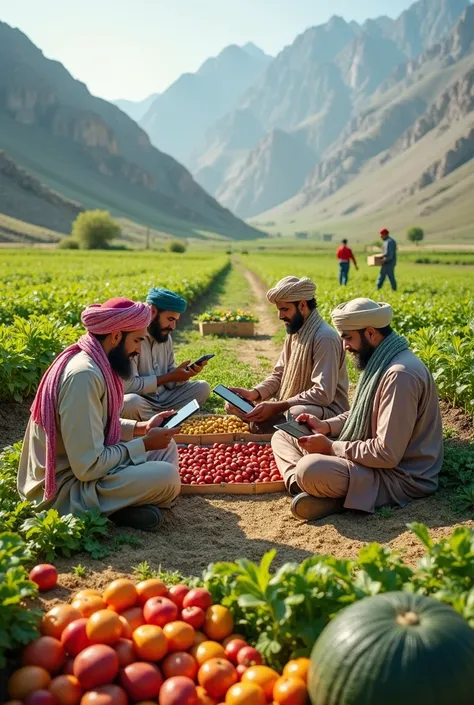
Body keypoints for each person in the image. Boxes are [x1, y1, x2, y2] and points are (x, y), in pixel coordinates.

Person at [18, 297, 182, 532]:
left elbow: (97, 423)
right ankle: (118, 510)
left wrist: (141, 428)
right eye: (136, 340)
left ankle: (122, 507)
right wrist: (143, 444)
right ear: (116, 336)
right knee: (166, 476)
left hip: (85, 473)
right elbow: (88, 467)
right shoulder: (84, 376)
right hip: (64, 491)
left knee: (165, 448)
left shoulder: (97, 363)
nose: (138, 350)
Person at [271, 297, 443, 521]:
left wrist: (332, 447)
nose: (345, 346)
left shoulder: (400, 375)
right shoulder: (381, 361)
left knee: (311, 468)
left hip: (399, 476)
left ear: (370, 333)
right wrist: (325, 426)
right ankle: (308, 488)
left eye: (348, 338)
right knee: (283, 435)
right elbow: (361, 413)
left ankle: (325, 490)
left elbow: (386, 454)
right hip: (370, 462)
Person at [226, 276, 349, 484]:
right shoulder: (295, 332)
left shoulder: (324, 337)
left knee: (296, 413)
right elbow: (279, 374)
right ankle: (278, 426)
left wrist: (278, 407)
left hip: (328, 412)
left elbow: (323, 393)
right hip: (293, 406)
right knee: (239, 407)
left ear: (302, 305)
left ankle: (290, 436)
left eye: (284, 309)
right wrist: (254, 394)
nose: (280, 316)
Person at [122, 287, 211, 421]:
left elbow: (169, 377)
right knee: (129, 403)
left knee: (203, 387)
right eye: (170, 319)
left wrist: (184, 375)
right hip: (142, 401)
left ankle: (161, 419)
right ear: (152, 311)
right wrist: (168, 377)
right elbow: (128, 386)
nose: (173, 326)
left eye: (176, 320)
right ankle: (168, 419)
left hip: (166, 399)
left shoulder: (165, 336)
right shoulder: (132, 339)